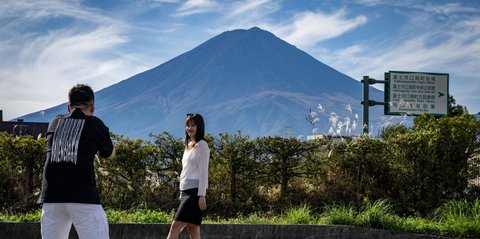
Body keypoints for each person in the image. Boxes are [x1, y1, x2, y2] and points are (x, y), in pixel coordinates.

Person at [38, 84, 115, 239]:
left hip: (51, 196)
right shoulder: (95, 124)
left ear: (68, 107)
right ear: (92, 107)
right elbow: (109, 154)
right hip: (82, 195)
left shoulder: (54, 123)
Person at [167, 113, 210, 239]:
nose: (189, 128)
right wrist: (181, 193)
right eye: (187, 125)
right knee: (193, 230)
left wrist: (202, 195)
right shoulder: (188, 146)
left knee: (174, 228)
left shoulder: (202, 145)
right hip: (186, 192)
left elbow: (203, 171)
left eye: (193, 125)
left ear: (199, 126)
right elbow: (185, 171)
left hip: (194, 193)